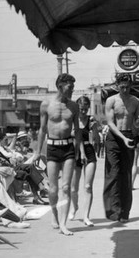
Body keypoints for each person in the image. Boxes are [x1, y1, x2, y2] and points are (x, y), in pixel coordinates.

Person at [32, 73, 81, 235]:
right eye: (70, 87)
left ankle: (63, 223)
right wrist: (38, 152)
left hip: (68, 148)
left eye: (73, 87)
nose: (72, 90)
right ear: (60, 86)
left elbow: (77, 130)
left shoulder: (74, 106)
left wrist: (79, 151)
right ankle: (54, 214)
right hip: (52, 148)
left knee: (66, 187)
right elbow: (42, 129)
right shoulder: (46, 104)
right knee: (53, 189)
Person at [103, 74, 139, 223]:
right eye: (122, 86)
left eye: (127, 86)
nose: (125, 89)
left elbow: (136, 124)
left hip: (128, 136)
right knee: (113, 173)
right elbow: (110, 123)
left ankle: (125, 212)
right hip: (114, 137)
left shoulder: (135, 101)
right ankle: (113, 211)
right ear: (117, 86)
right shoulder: (111, 100)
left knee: (126, 175)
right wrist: (123, 138)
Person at [69, 96, 96, 226]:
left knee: (88, 186)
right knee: (73, 188)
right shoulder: (72, 120)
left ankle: (86, 216)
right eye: (81, 109)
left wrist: (95, 128)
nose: (84, 112)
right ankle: (75, 207)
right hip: (75, 153)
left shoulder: (91, 119)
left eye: (86, 109)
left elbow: (95, 139)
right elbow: (75, 137)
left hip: (89, 152)